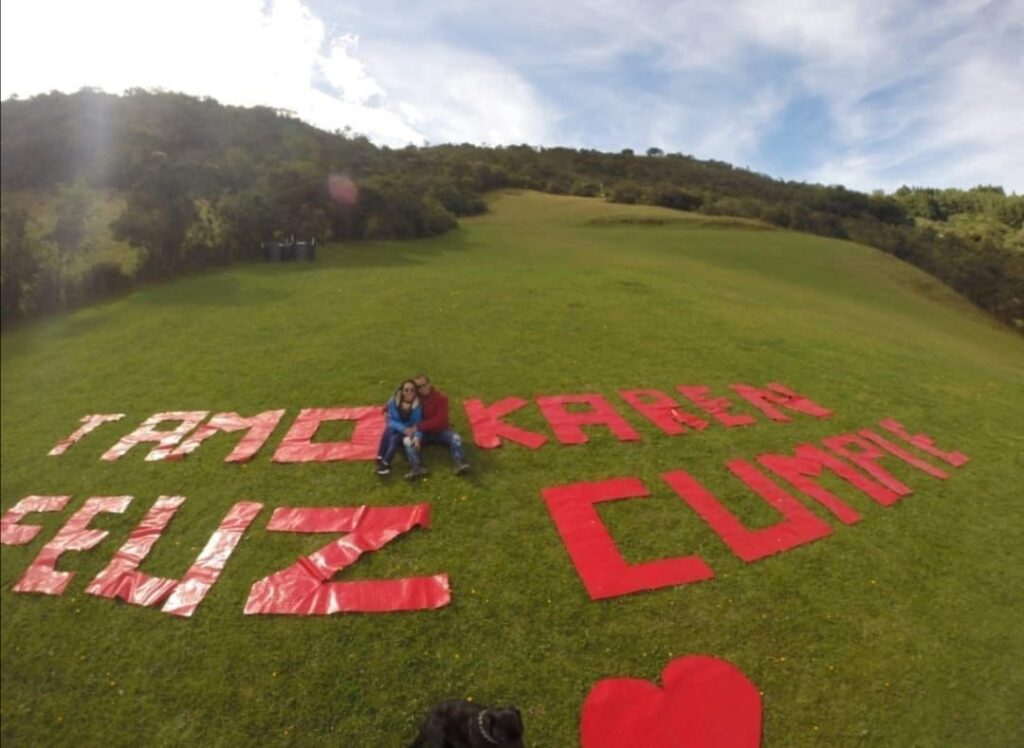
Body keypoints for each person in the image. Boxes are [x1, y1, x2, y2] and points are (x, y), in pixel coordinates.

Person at [413, 374, 470, 475]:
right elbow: (398, 400)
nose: (422, 388)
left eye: (424, 384)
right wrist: (386, 410)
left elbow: (439, 420)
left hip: (441, 431)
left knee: (456, 438)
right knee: (409, 441)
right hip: (424, 433)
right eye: (418, 387)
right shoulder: (415, 398)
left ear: (430, 384)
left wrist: (419, 426)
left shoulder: (441, 398)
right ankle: (417, 467)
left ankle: (459, 463)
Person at [375, 380, 427, 479]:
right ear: (401, 391)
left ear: (415, 392)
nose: (409, 392)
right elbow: (390, 420)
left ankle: (384, 463)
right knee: (389, 430)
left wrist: (417, 436)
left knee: (394, 438)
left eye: (412, 390)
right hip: (398, 428)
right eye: (406, 390)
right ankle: (380, 457)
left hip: (408, 431)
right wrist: (403, 429)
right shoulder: (393, 401)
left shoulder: (417, 406)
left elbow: (418, 423)